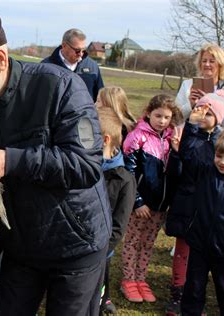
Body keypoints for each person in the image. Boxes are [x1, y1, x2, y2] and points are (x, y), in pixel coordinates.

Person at [0, 12, 111, 316]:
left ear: (0, 58)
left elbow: (85, 164)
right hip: (20, 248)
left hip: (76, 244)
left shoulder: (60, 87)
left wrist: (9, 160)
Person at [164, 90, 224, 315]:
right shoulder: (190, 136)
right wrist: (190, 127)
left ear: (218, 118)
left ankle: (194, 292)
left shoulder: (221, 142)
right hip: (187, 202)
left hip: (208, 206)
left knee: (199, 255)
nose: (203, 116)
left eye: (209, 113)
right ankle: (177, 291)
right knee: (183, 249)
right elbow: (187, 157)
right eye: (200, 111)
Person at [179, 125, 224, 315]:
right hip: (199, 245)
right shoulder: (205, 172)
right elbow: (187, 153)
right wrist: (193, 127)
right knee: (193, 289)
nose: (223, 162)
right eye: (219, 156)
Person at [120, 94, 181, 303]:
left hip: (160, 205)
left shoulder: (173, 139)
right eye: (158, 116)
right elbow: (129, 171)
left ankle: (140, 279)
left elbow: (176, 173)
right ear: (149, 113)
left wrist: (176, 151)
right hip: (141, 204)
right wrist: (137, 201)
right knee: (133, 241)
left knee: (148, 243)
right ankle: (128, 279)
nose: (162, 121)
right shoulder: (138, 137)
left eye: (166, 117)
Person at [96, 107, 136, 314]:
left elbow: (119, 225)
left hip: (101, 250)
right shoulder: (81, 168)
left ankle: (103, 300)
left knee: (98, 282)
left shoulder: (124, 180)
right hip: (78, 250)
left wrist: (99, 251)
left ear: (104, 140)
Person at [176, 43, 224, 126]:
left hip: (217, 137)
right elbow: (175, 118)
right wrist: (190, 104)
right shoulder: (187, 85)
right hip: (189, 135)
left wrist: (212, 103)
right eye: (204, 61)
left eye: (212, 61)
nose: (207, 64)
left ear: (220, 64)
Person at [42, 28, 104, 102]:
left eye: (83, 50)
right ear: (64, 45)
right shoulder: (45, 66)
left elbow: (101, 98)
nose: (81, 54)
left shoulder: (92, 66)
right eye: (77, 51)